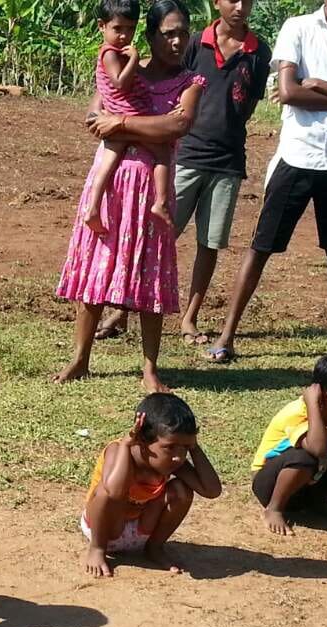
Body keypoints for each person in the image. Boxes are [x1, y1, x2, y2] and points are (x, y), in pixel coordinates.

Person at [204, 0, 327, 363]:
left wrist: (317, 84)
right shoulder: (297, 27)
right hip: (298, 155)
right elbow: (289, 92)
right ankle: (227, 335)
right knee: (262, 246)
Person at [55, 0, 205, 392]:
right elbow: (94, 118)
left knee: (150, 273)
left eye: (182, 33)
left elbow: (178, 125)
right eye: (168, 33)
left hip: (151, 187)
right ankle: (80, 358)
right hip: (112, 183)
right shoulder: (125, 71)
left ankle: (150, 368)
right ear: (150, 35)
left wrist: (122, 123)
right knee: (96, 266)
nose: (176, 41)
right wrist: (137, 126)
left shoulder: (191, 82)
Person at [173, 0, 272, 344]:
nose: (241, 7)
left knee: (208, 243)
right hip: (185, 154)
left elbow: (246, 108)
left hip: (227, 162)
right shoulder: (193, 43)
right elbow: (174, 88)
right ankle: (124, 309)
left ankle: (189, 318)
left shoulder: (259, 52)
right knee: (159, 236)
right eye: (233, 0)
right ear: (217, 2)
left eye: (248, 1)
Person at [81, 392, 222, 577]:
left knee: (182, 490)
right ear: (142, 439)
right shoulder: (118, 451)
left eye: (185, 448)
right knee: (104, 491)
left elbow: (212, 491)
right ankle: (96, 550)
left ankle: (154, 549)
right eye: (170, 447)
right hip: (106, 532)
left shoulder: (170, 462)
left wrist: (193, 447)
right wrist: (125, 445)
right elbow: (114, 492)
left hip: (141, 533)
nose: (178, 456)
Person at [251, 350, 327, 535]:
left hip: (306, 485)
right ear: (321, 395)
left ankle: (315, 504)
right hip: (268, 485)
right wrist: (313, 405)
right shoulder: (298, 413)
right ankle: (274, 508)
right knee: (305, 456)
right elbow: (317, 449)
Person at [82, 0, 175, 235]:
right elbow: (120, 84)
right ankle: (161, 201)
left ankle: (93, 207)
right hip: (126, 113)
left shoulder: (114, 53)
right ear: (102, 26)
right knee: (163, 152)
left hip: (117, 115)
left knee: (109, 161)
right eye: (118, 29)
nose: (125, 36)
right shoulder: (111, 54)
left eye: (130, 29)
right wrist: (134, 58)